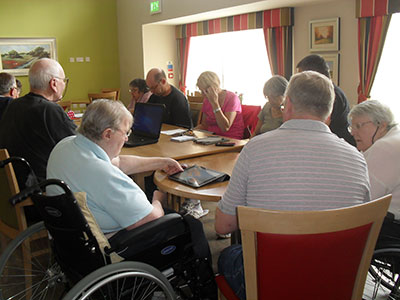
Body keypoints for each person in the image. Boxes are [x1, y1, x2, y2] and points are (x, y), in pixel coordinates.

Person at [215, 71, 371, 300]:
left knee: (227, 255)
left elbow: (222, 226)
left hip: (273, 282)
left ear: (287, 105)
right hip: (334, 280)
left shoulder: (255, 150)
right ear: (329, 112)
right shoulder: (358, 158)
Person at [0, 58, 76, 187]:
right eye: (63, 80)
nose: (64, 84)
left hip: (16, 187)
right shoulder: (50, 110)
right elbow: (80, 147)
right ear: (54, 83)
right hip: (44, 189)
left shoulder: (13, 105)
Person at [348, 100, 400, 240]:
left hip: (390, 227)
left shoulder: (384, 147)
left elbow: (362, 198)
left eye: (358, 126)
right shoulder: (395, 139)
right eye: (352, 127)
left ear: (381, 125)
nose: (353, 133)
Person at [297, 54, 356, 146]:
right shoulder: (327, 91)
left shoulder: (331, 95)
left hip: (336, 145)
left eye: (301, 76)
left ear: (313, 75)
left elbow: (320, 125)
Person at [196, 71, 244, 139]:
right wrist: (190, 132)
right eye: (201, 91)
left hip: (230, 139)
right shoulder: (206, 100)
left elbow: (225, 128)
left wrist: (215, 104)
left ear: (214, 87)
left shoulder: (232, 98)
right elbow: (204, 125)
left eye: (205, 91)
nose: (203, 94)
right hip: (211, 137)